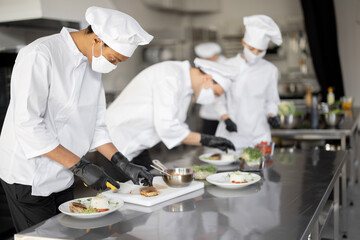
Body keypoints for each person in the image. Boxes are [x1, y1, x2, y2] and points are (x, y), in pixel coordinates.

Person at [0, 6, 153, 232]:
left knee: (68, 235)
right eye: (114, 58)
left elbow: (97, 126)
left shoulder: (92, 63)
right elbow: (28, 125)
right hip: (30, 177)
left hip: (64, 173)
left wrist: (123, 163)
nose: (113, 65)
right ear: (97, 40)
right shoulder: (40, 54)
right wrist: (82, 167)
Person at [105, 58, 238, 178]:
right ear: (207, 79)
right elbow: (167, 127)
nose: (213, 98)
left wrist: (208, 140)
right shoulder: (170, 76)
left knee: (149, 187)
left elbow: (178, 127)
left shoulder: (186, 88)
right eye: (215, 93)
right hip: (115, 144)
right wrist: (206, 140)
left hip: (137, 146)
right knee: (127, 195)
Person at [215, 15, 282, 150]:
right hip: (232, 133)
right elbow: (218, 98)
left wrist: (272, 115)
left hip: (259, 135)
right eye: (252, 49)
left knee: (260, 169)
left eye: (260, 51)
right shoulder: (227, 65)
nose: (255, 54)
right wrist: (225, 118)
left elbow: (272, 100)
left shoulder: (270, 70)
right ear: (243, 42)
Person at [194, 42, 227, 135]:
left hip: (224, 112)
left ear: (215, 55)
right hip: (208, 111)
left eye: (208, 58)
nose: (205, 60)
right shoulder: (205, 66)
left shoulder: (226, 65)